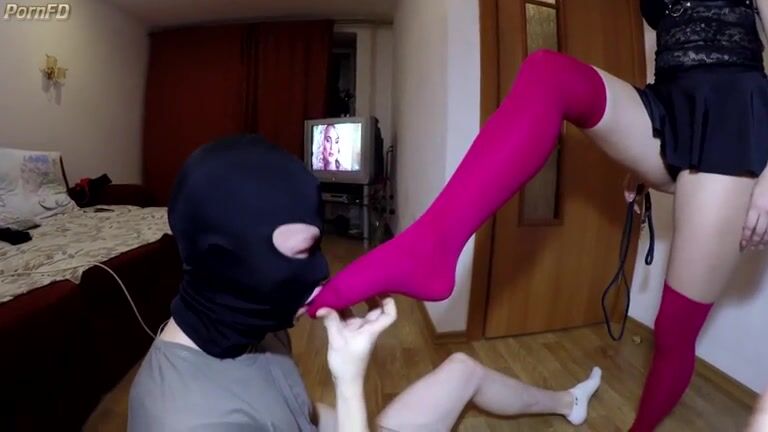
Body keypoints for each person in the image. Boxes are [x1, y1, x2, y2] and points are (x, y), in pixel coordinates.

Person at [305, 0, 768, 430]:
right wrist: (643, 156)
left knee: (672, 332)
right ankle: (432, 248)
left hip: (732, 118)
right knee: (548, 73)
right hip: (667, 107)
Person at [127, 135, 602, 431]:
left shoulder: (248, 324)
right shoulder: (189, 421)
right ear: (232, 259)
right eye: (303, 251)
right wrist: (350, 382)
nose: (321, 272)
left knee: (462, 369)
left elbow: (298, 414)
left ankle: (569, 401)